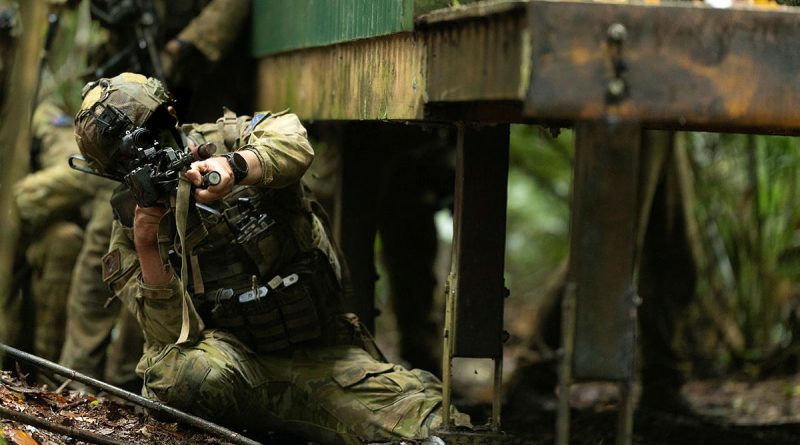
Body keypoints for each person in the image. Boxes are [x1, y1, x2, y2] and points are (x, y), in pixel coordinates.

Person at [74, 72, 469, 443]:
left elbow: (293, 140)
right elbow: (170, 346)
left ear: (170, 116)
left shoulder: (233, 137)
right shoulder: (130, 227)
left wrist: (236, 167)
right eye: (125, 164)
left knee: (430, 419)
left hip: (323, 359)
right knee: (180, 375)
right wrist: (148, 245)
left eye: (153, 134)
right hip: (237, 372)